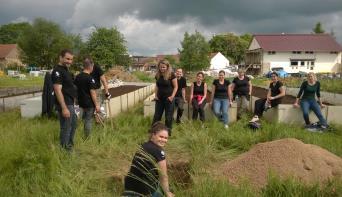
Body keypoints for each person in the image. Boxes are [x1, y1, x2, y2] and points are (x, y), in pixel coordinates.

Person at [123, 122, 174, 197]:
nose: (163, 140)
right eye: (161, 136)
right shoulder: (159, 151)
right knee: (163, 191)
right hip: (143, 191)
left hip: (129, 186)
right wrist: (167, 193)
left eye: (166, 138)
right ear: (153, 135)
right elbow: (164, 176)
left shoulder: (144, 145)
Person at [51, 49, 77, 151]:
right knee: (66, 127)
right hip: (65, 104)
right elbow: (57, 90)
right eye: (67, 59)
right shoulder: (57, 71)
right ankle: (65, 150)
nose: (69, 61)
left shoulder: (66, 70)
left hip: (70, 103)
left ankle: (69, 146)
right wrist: (64, 108)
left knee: (73, 125)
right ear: (60, 57)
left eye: (71, 59)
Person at [74, 57, 100, 139]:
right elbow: (93, 93)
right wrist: (97, 105)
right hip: (89, 103)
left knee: (82, 119)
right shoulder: (90, 78)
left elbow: (75, 89)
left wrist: (76, 100)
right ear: (91, 66)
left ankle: (76, 134)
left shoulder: (77, 77)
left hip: (80, 102)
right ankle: (87, 138)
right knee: (88, 120)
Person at [152, 60, 178, 134]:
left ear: (167, 67)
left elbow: (176, 87)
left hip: (169, 99)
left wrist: (172, 97)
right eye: (160, 67)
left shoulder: (171, 75)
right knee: (157, 115)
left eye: (164, 67)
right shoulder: (158, 75)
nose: (162, 68)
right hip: (159, 98)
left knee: (168, 116)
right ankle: (154, 130)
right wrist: (156, 95)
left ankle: (168, 132)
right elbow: (157, 86)